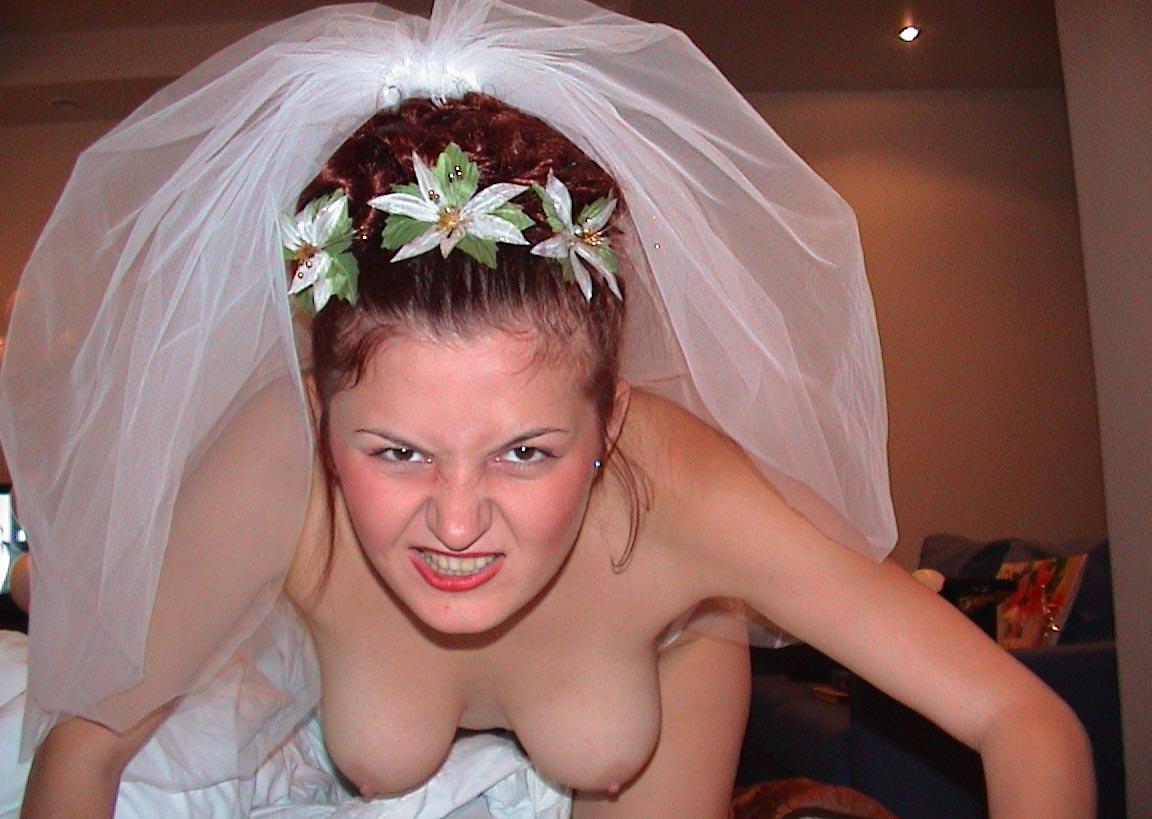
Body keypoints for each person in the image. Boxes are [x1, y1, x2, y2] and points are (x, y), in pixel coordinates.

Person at [0, 1, 1093, 817]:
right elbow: (84, 750)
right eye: (396, 452)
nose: (457, 522)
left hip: (647, 718)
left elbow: (1025, 718)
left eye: (525, 451)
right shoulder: (272, 467)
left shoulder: (689, 492)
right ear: (320, 412)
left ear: (611, 419)